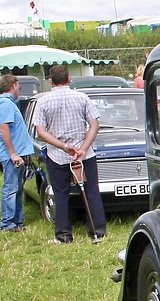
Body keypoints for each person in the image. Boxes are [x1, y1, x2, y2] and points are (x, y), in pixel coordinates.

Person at [31, 64, 106, 244]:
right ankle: (97, 232)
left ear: (50, 81)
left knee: (61, 194)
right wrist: (83, 148)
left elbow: (40, 131)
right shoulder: (82, 98)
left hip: (58, 155)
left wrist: (64, 146)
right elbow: (94, 125)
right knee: (91, 192)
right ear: (69, 79)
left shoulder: (43, 102)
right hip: (84, 154)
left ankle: (64, 235)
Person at [0, 74, 33, 232]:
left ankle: (17, 222)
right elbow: (4, 129)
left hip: (15, 152)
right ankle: (8, 223)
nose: (19, 90)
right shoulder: (5, 104)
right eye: (18, 87)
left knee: (17, 188)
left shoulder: (4, 104)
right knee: (11, 188)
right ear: (13, 86)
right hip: (12, 154)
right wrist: (13, 154)